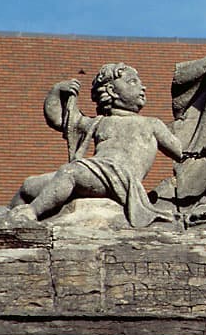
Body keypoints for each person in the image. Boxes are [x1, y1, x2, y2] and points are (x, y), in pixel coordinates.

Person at [10, 64, 182, 227]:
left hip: (119, 177)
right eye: (132, 82)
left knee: (70, 172)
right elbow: (60, 120)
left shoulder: (151, 124)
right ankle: (6, 220)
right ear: (112, 90)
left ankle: (31, 212)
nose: (143, 87)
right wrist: (56, 91)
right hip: (95, 171)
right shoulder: (99, 123)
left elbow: (180, 151)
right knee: (29, 186)